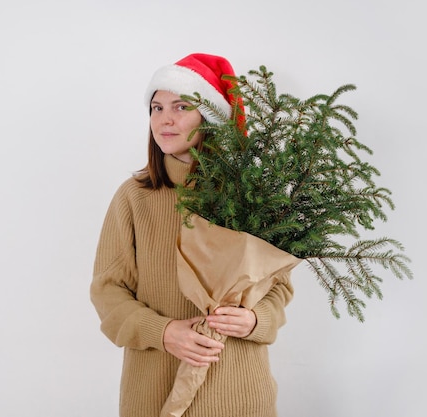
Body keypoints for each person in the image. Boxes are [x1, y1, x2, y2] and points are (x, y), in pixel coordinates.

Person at [90, 53, 294, 417]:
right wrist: (163, 332)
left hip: (239, 392)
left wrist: (255, 320)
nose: (164, 119)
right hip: (155, 390)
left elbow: (278, 286)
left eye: (181, 106)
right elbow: (107, 290)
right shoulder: (134, 196)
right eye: (156, 108)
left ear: (210, 117)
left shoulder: (249, 193)